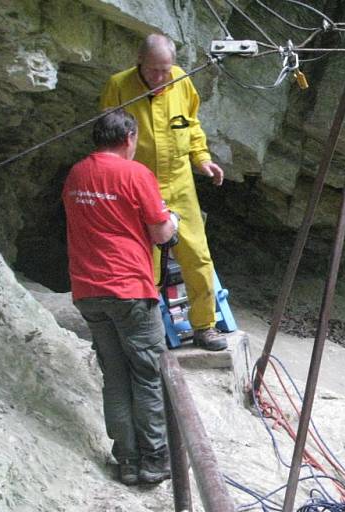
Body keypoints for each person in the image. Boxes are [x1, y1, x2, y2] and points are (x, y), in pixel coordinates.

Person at [62, 109, 177, 486]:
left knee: (115, 376)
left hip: (88, 290)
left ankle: (126, 461)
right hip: (129, 288)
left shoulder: (77, 174)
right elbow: (161, 232)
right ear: (129, 137)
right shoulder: (135, 174)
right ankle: (154, 459)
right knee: (147, 374)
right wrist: (172, 220)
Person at [99, 33, 227, 352]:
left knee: (197, 255)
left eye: (166, 69)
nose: (160, 77)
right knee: (147, 262)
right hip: (139, 185)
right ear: (139, 62)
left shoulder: (182, 80)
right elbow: (109, 136)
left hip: (180, 180)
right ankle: (150, 331)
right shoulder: (119, 85)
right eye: (154, 70)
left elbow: (191, 123)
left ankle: (205, 327)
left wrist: (203, 159)